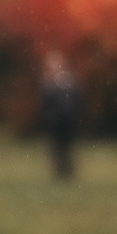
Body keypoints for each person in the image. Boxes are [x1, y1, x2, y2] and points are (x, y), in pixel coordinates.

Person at [40, 50, 80, 181]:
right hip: (55, 121)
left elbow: (76, 99)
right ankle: (60, 170)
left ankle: (67, 170)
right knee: (57, 147)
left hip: (67, 119)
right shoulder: (49, 83)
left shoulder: (66, 81)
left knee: (66, 147)